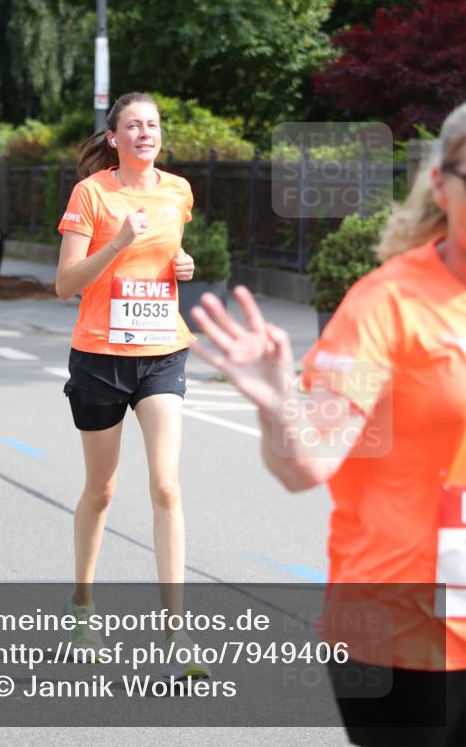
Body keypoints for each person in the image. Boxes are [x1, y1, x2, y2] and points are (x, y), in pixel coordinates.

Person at [189, 102, 466, 745]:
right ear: (442, 184)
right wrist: (276, 402)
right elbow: (309, 462)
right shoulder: (386, 308)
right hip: (404, 633)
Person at [55, 91, 209, 678]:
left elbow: (166, 253)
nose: (145, 133)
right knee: (103, 490)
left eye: (153, 124)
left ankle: (175, 636)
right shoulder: (91, 195)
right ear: (115, 138)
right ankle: (82, 604)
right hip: (99, 358)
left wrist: (184, 263)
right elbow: (66, 283)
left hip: (161, 352)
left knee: (167, 486)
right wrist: (116, 243)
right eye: (133, 126)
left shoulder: (178, 191)